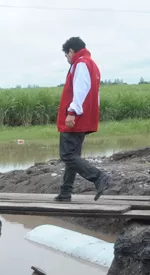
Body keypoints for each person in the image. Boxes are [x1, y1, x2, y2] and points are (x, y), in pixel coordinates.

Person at [55, 37, 113, 202]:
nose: (67, 59)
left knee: (67, 155)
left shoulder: (80, 63)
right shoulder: (92, 64)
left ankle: (99, 177)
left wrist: (72, 111)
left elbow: (80, 89)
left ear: (71, 51)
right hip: (85, 115)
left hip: (76, 116)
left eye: (66, 56)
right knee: (73, 156)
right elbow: (95, 93)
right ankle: (65, 192)